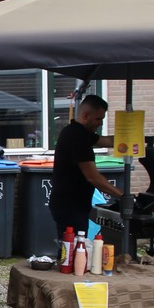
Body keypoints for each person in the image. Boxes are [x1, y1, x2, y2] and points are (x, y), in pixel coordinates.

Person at [50, 94, 122, 239]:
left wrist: (137, 139)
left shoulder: (77, 132)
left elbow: (106, 141)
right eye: (98, 119)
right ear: (85, 116)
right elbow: (93, 177)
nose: (100, 123)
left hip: (72, 205)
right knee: (73, 247)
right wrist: (123, 196)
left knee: (73, 246)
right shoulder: (78, 138)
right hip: (70, 207)